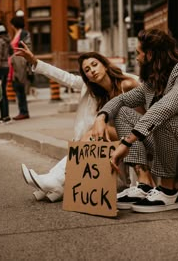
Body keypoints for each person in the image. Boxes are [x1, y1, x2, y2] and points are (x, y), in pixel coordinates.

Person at [91, 28, 178, 213]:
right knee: (123, 112)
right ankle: (144, 184)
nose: (137, 58)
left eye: (139, 53)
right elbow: (122, 100)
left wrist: (126, 142)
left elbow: (165, 108)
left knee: (164, 119)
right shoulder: (153, 83)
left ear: (150, 54)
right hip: (175, 154)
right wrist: (102, 117)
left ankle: (168, 192)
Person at [15, 42, 145, 202]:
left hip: (137, 138)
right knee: (94, 133)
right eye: (87, 70)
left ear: (104, 65)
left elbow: (144, 117)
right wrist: (35, 61)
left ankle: (55, 181)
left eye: (95, 65)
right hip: (117, 142)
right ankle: (55, 183)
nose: (92, 70)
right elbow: (64, 77)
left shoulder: (128, 83)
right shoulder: (92, 90)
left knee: (93, 133)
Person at [8, 15, 32, 120]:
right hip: (15, 65)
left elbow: (27, 48)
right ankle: (22, 110)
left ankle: (24, 111)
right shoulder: (17, 34)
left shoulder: (24, 34)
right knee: (17, 87)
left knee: (20, 87)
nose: (11, 26)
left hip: (21, 64)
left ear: (14, 24)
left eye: (12, 24)